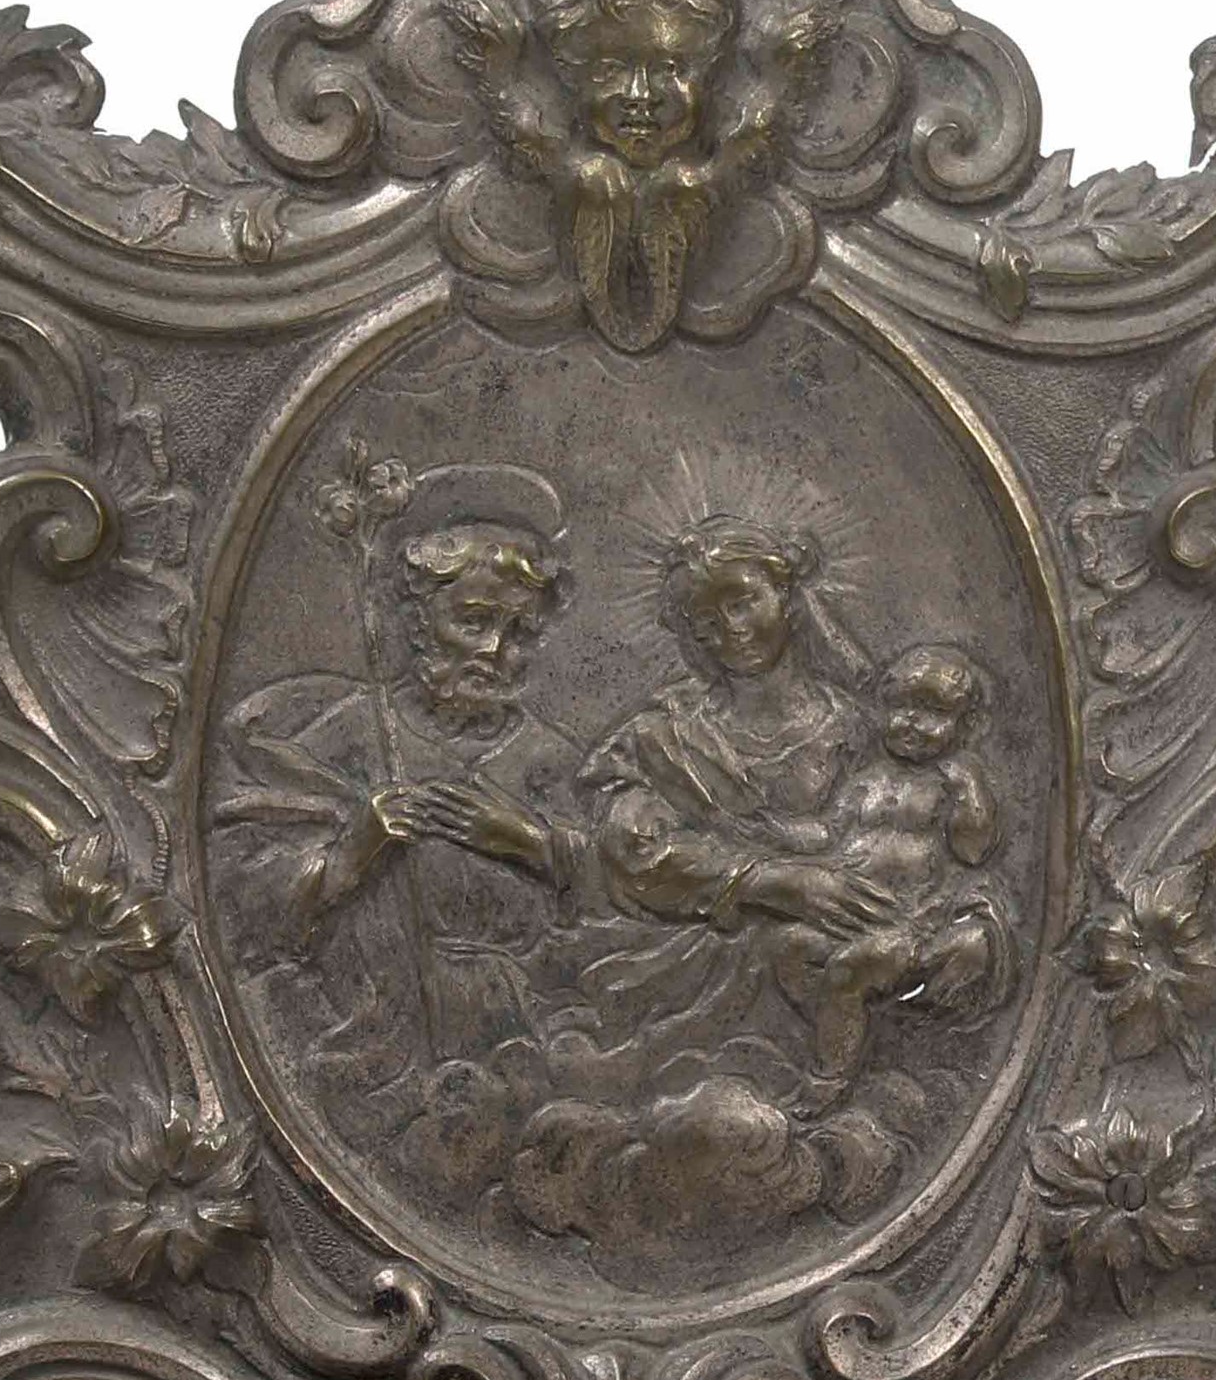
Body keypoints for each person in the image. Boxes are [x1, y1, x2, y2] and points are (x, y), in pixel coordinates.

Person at [212, 465, 590, 1132]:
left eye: (519, 631)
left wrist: (534, 846)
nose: (495, 649)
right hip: (373, 1051)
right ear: (418, 621)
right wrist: (351, 854)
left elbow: (616, 922)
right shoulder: (348, 737)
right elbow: (244, 918)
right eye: (472, 620)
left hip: (531, 1060)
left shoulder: (551, 762)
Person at [580, 515, 1019, 1079]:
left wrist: (973, 929)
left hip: (856, 958)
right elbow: (627, 851)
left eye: (743, 602)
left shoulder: (870, 734)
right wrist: (775, 882)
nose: (730, 629)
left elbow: (944, 853)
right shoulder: (661, 737)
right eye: (706, 619)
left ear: (786, 597)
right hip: (692, 977)